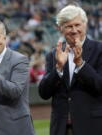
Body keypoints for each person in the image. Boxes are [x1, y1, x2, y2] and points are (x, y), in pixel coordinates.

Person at [38, 4, 102, 135]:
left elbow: (100, 85)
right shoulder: (53, 55)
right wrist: (58, 68)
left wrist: (81, 64)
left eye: (77, 25)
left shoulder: (99, 50)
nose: (74, 30)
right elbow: (43, 93)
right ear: (61, 28)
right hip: (61, 128)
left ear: (85, 24)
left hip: (91, 126)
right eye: (68, 26)